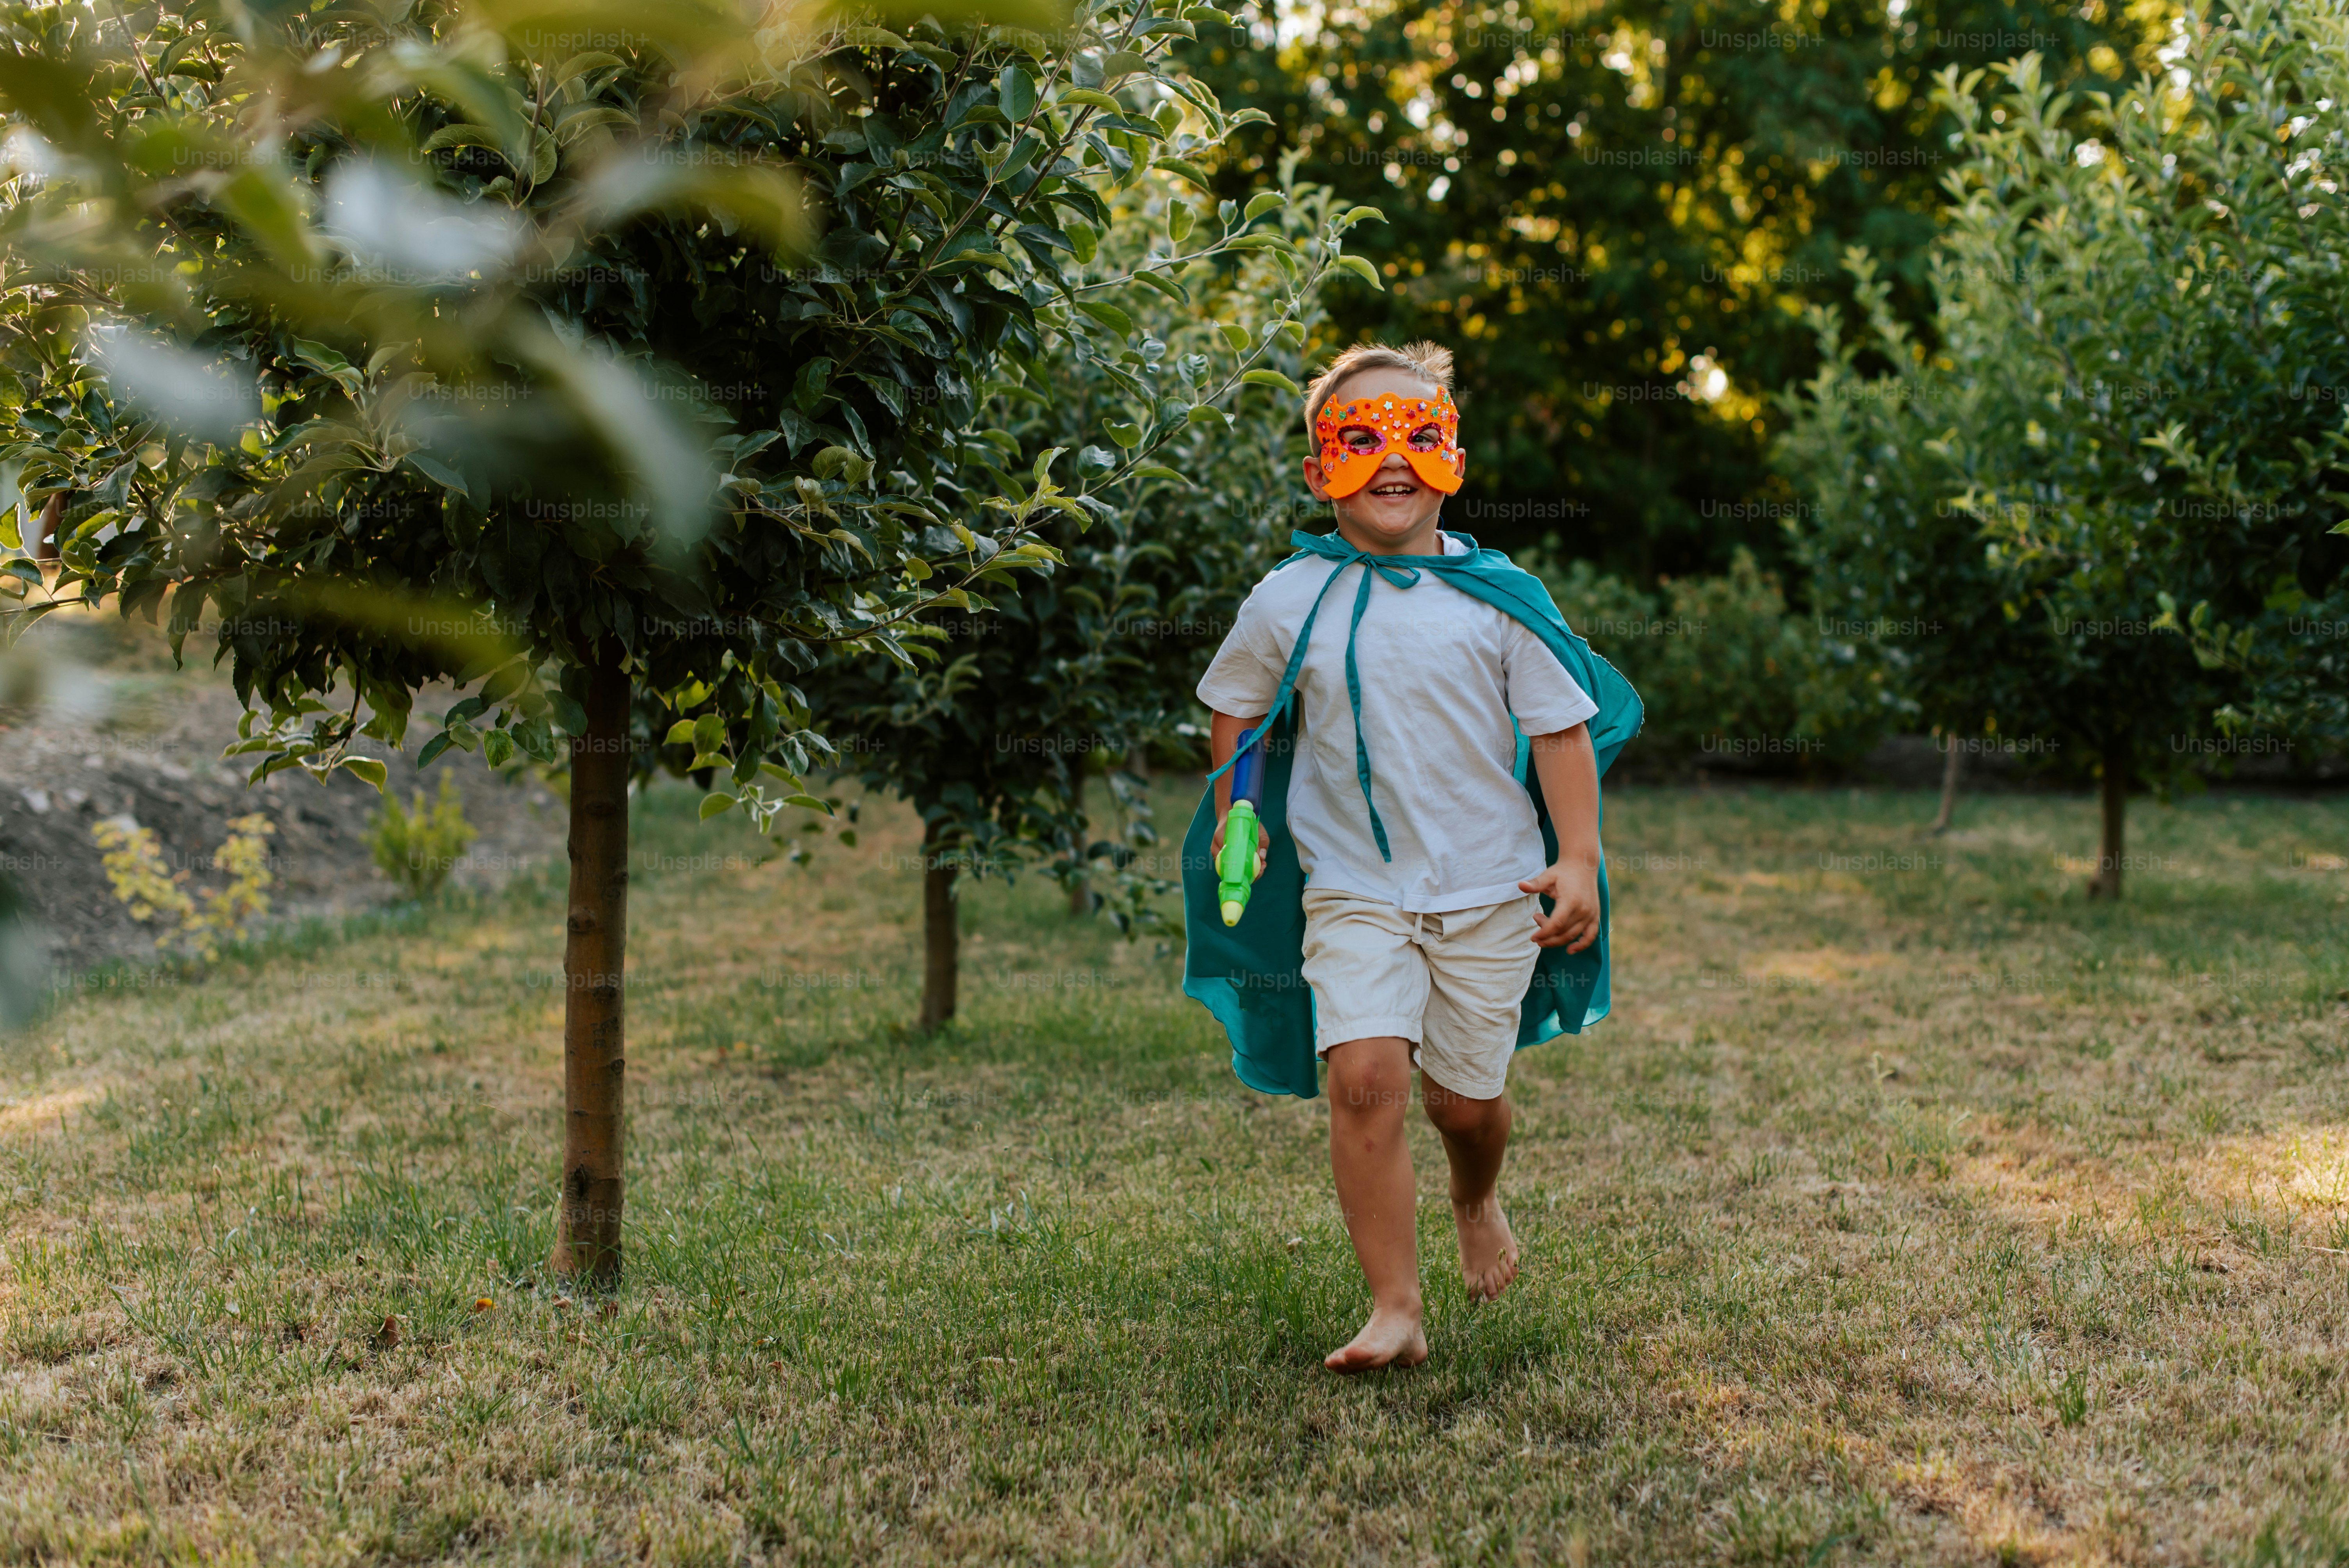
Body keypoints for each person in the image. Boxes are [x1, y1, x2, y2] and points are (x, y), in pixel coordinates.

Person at [1183, 340, 1641, 1372]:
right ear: (1319, 474)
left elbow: (1562, 730)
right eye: (1359, 438)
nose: (1392, 458)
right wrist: (1236, 811)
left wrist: (1578, 857)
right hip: (1353, 888)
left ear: (1454, 463)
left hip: (1490, 889)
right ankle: (1396, 1308)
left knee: (1463, 1104)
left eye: (1417, 434)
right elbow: (1237, 706)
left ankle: (1475, 1196)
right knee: (1367, 1079)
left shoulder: (1500, 595)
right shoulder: (1289, 598)